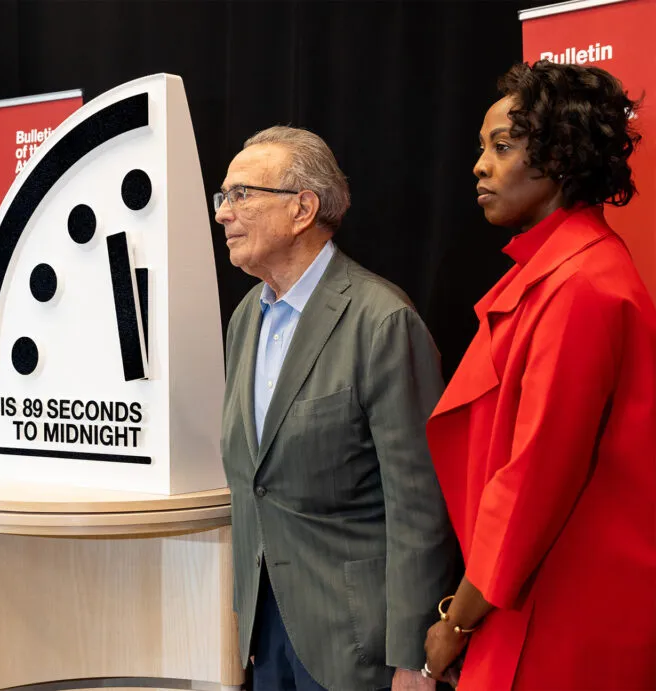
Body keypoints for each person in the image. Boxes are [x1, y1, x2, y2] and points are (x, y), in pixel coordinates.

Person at [422, 61, 656, 691]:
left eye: (502, 146)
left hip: (558, 614)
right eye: (481, 149)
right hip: (528, 592)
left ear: (560, 156)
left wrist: (456, 622)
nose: (480, 165)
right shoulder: (558, 273)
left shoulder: (582, 285)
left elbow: (534, 477)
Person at [217, 126, 457, 691]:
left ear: (303, 208)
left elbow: (419, 507)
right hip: (265, 640)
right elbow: (256, 485)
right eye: (221, 197)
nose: (224, 214)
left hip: (360, 646)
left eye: (241, 195)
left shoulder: (381, 321)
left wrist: (412, 660)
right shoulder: (245, 318)